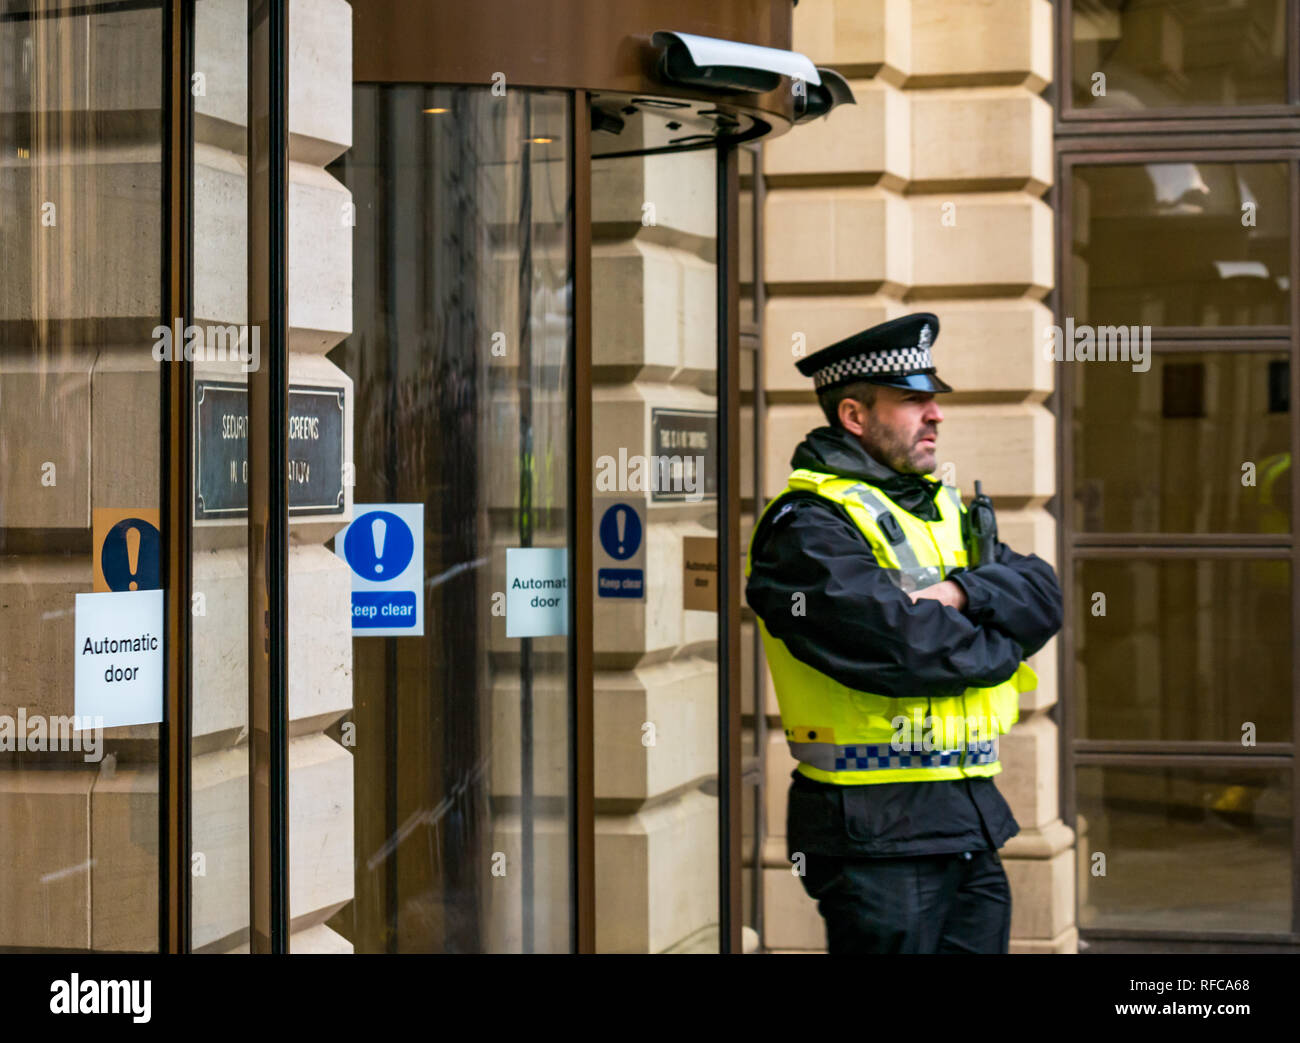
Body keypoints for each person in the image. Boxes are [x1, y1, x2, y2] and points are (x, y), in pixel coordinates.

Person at [745, 312, 1063, 954]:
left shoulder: (946, 506)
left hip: (966, 819)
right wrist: (999, 641)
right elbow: (907, 648)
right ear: (855, 417)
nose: (936, 415)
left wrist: (960, 591)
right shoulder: (806, 528)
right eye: (914, 400)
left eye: (934, 400)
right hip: (875, 833)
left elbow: (1044, 596)